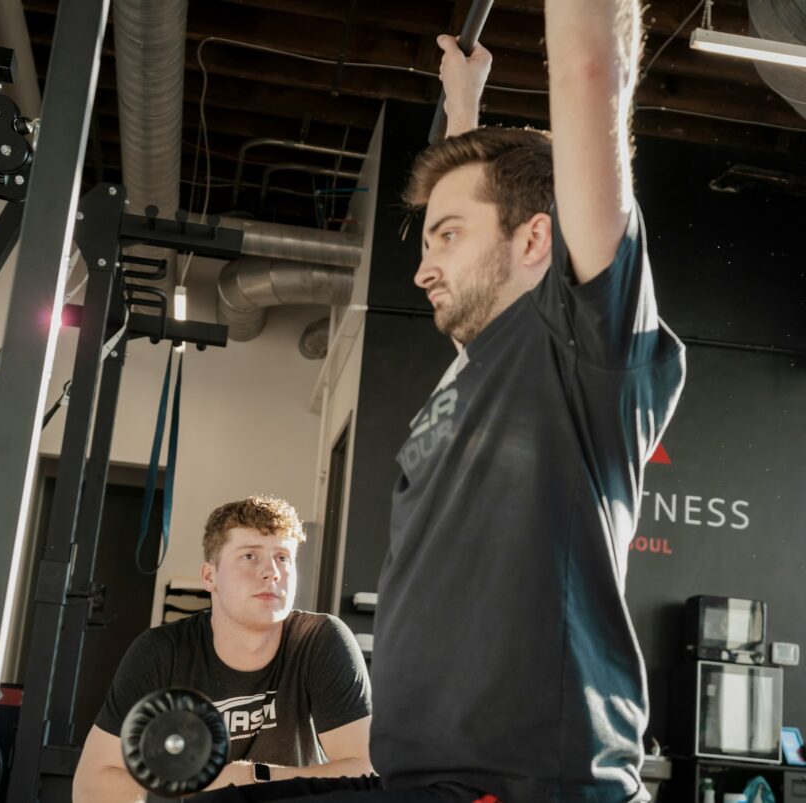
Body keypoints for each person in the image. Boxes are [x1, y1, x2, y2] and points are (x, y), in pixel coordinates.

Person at [193, 2, 685, 802]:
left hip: (527, 784)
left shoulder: (583, 346)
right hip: (421, 777)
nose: (423, 269)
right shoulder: (479, 370)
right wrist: (464, 111)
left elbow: (591, 70)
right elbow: (489, 221)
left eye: (446, 237)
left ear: (536, 239)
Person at [72, 495, 373, 803]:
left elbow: (364, 772)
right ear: (209, 576)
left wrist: (251, 777)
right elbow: (89, 787)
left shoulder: (321, 640)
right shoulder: (161, 652)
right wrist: (207, 789)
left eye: (283, 557)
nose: (272, 572)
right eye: (250, 556)